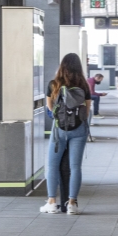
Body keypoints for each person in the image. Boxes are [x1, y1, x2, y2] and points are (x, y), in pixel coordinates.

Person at [43, 53, 93, 215]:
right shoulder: (84, 85)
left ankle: (52, 202)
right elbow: (87, 109)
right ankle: (72, 203)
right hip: (79, 130)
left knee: (52, 165)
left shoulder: (54, 84)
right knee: (75, 167)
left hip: (59, 130)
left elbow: (50, 108)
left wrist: (61, 117)